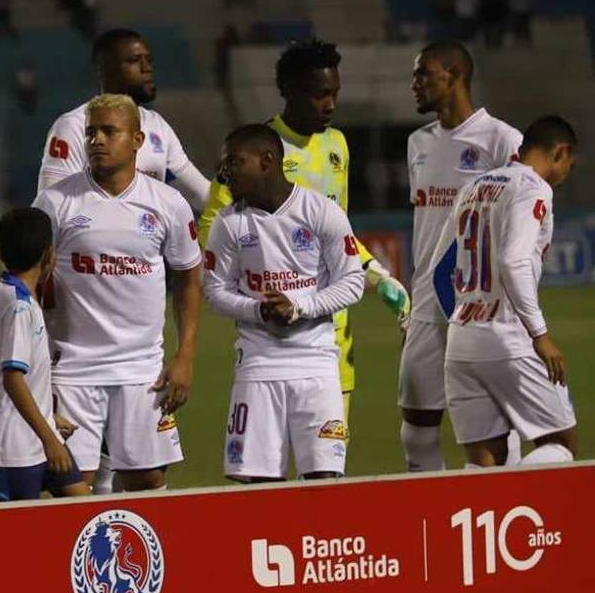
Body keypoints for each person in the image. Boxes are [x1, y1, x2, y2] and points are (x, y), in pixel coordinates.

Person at [198, 38, 410, 428]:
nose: (329, 104)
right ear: (287, 91)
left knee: (328, 457)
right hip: (271, 330)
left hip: (331, 323)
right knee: (268, 463)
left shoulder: (338, 146)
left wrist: (378, 276)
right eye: (318, 94)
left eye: (334, 94)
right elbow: (212, 225)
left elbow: (340, 232)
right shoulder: (252, 149)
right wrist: (253, 284)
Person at [32, 93, 203, 494]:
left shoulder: (168, 204)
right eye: (91, 132)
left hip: (143, 371)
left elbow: (189, 278)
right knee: (72, 484)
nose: (97, 141)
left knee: (147, 480)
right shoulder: (56, 202)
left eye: (110, 131)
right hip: (72, 370)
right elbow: (31, 284)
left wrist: (186, 355)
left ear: (138, 140)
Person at [203, 125, 365, 481]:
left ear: (267, 161)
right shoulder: (228, 224)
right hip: (257, 366)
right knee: (258, 490)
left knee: (324, 483)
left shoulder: (321, 212)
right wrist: (257, 309)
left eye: (234, 161)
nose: (225, 172)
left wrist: (298, 307)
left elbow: (353, 281)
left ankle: (318, 541)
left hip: (317, 365)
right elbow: (214, 291)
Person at [400, 40, 522, 471]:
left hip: (480, 306)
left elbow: (521, 223)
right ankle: (429, 523)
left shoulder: (502, 140)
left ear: (453, 76)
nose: (414, 84)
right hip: (426, 304)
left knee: (495, 430)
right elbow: (427, 228)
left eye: (423, 74)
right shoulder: (418, 143)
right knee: (415, 424)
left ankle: (504, 509)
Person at [439, 116, 579, 467]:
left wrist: (462, 320)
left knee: (484, 461)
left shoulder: (473, 187)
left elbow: (441, 271)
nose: (566, 175)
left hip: (461, 340)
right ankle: (524, 506)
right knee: (561, 443)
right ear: (560, 152)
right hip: (509, 338)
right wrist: (540, 334)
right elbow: (514, 260)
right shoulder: (532, 187)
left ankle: (480, 518)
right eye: (569, 165)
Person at [0, 207, 88, 502]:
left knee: (84, 504)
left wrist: (51, 419)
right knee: (11, 542)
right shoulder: (18, 306)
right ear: (49, 254)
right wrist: (50, 440)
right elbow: (12, 378)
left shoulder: (15, 294)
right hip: (10, 449)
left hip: (36, 435)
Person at [37, 29, 211, 213]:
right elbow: (50, 206)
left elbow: (201, 195)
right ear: (104, 68)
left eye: (148, 60)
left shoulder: (157, 126)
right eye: (134, 60)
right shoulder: (73, 126)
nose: (147, 68)